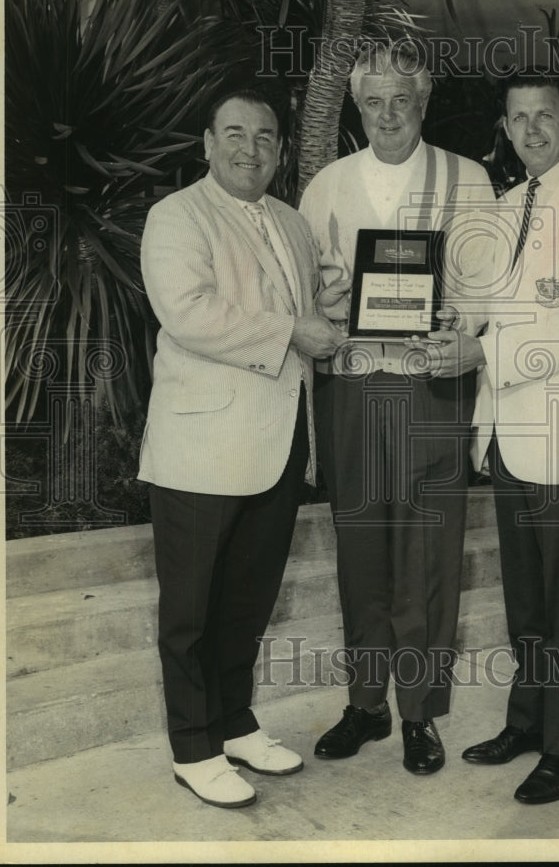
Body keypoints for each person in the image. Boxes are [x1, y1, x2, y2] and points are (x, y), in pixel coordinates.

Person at [417, 71, 559, 802]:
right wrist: (443, 322)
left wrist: (483, 353)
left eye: (545, 115)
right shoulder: (503, 208)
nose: (532, 129)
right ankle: (529, 720)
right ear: (505, 130)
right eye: (518, 119)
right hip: (506, 436)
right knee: (526, 604)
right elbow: (476, 307)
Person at [138, 85, 344, 809]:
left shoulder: (290, 222)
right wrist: (293, 331)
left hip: (280, 442)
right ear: (206, 142)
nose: (248, 149)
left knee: (248, 601)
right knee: (191, 609)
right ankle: (192, 748)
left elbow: (323, 300)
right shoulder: (175, 217)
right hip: (201, 447)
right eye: (233, 133)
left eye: (263, 137)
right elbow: (191, 313)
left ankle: (233, 721)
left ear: (281, 150)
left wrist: (396, 301)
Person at [299, 40, 497, 775]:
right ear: (358, 106)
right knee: (359, 548)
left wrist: (461, 327)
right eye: (374, 101)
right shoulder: (324, 186)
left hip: (431, 387)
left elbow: (484, 285)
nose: (388, 114)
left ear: (424, 102)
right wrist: (326, 303)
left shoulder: (467, 180)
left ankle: (419, 712)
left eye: (402, 100)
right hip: (352, 387)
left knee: (429, 552)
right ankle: (364, 705)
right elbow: (306, 290)